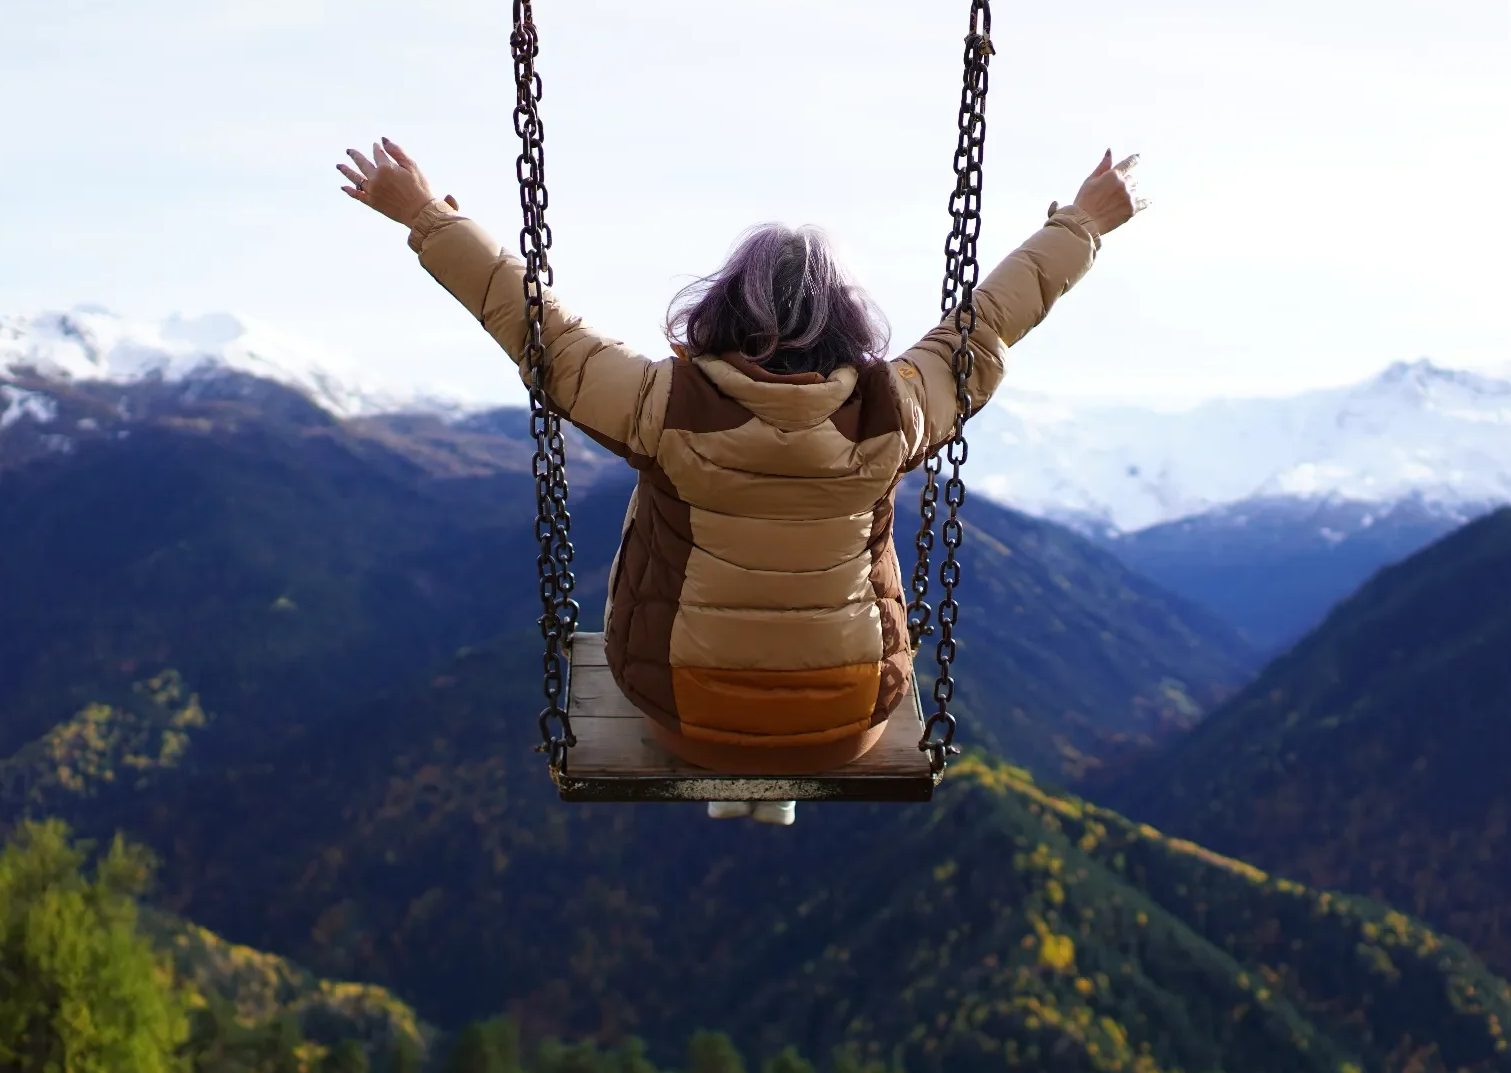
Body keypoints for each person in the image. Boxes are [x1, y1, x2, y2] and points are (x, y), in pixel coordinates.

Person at [338, 136, 1144, 826]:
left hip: (685, 716)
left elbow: (535, 324)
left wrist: (426, 217)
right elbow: (994, 317)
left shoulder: (664, 404)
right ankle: (774, 782)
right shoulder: (894, 409)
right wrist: (1084, 222)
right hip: (849, 718)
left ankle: (737, 777)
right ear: (849, 327)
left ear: (719, 312)